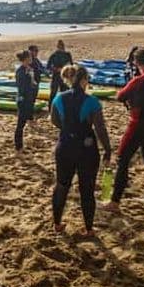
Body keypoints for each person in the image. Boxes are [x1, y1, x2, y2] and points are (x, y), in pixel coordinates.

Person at [50, 65, 111, 235]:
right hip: (87, 149)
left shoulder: (58, 98)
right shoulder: (92, 102)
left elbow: (54, 120)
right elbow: (100, 129)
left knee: (62, 186)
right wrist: (107, 150)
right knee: (87, 189)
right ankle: (89, 229)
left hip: (65, 147)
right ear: (84, 80)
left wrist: (68, 130)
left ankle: (57, 224)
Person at [104, 48, 144, 211]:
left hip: (138, 125)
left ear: (136, 63)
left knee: (122, 160)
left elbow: (120, 96)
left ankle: (114, 202)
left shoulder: (139, 80)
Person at [14, 49, 37, 152]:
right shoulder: (21, 71)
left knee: (22, 124)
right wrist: (29, 77)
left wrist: (32, 79)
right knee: (20, 124)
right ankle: (18, 147)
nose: (31, 58)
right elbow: (21, 88)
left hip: (28, 99)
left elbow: (33, 83)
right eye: (30, 57)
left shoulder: (28, 69)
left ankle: (20, 146)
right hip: (23, 100)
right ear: (26, 58)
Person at [46, 40, 73, 107]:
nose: (61, 48)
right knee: (53, 93)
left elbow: (71, 65)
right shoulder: (54, 55)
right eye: (60, 46)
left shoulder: (67, 55)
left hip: (65, 77)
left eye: (62, 46)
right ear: (57, 47)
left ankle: (64, 107)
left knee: (65, 93)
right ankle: (51, 108)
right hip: (56, 76)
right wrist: (56, 69)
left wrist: (67, 69)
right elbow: (48, 67)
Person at [28, 45, 45, 116]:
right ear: (30, 51)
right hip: (31, 83)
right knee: (30, 99)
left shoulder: (36, 60)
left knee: (34, 98)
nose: (37, 52)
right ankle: (29, 114)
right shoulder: (29, 61)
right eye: (35, 51)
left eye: (37, 51)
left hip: (36, 81)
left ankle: (30, 113)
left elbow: (41, 67)